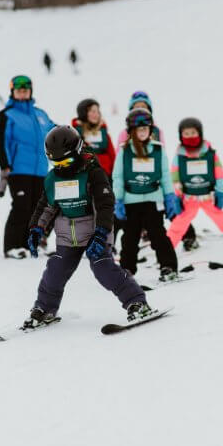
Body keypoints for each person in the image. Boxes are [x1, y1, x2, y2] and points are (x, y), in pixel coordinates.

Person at [22, 125, 155, 328]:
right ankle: (45, 308)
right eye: (55, 162)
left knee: (104, 270)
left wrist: (101, 232)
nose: (61, 166)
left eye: (65, 161)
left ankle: (136, 302)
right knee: (54, 271)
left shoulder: (92, 174)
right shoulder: (53, 179)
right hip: (67, 236)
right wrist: (36, 229)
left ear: (77, 152)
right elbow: (46, 206)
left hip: (94, 234)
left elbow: (104, 205)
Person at [167, 117, 223, 260]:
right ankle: (165, 253)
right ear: (181, 136)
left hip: (208, 196)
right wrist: (177, 196)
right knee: (178, 226)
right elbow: (174, 176)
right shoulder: (179, 156)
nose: (190, 136)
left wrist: (220, 192)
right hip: (188, 198)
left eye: (193, 132)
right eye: (186, 134)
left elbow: (220, 174)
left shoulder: (210, 153)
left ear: (200, 133)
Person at [116, 90, 198, 250]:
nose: (140, 109)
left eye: (144, 106)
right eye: (136, 107)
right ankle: (108, 243)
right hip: (133, 183)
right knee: (125, 215)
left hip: (154, 180)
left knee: (170, 207)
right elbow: (120, 159)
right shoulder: (124, 133)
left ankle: (188, 235)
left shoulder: (156, 131)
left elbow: (161, 154)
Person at [112, 108, 181, 280]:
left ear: (150, 130)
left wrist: (170, 197)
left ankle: (168, 266)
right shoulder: (124, 151)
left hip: (153, 199)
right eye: (139, 129)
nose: (142, 132)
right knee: (130, 238)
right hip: (131, 201)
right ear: (131, 131)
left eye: (145, 128)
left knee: (158, 235)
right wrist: (118, 199)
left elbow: (165, 176)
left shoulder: (158, 150)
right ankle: (127, 269)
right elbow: (118, 176)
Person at [0, 75, 56, 259]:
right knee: (21, 206)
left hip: (40, 170)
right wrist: (5, 166)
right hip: (18, 169)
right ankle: (13, 246)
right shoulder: (6, 115)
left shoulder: (40, 114)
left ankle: (30, 244)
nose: (22, 92)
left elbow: (54, 132)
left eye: (25, 90)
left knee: (38, 209)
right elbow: (0, 142)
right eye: (19, 90)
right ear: (13, 92)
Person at [71, 98, 116, 176]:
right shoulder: (75, 134)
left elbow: (112, 156)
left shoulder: (104, 133)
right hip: (83, 175)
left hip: (104, 175)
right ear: (83, 113)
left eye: (98, 111)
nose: (96, 114)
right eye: (92, 111)